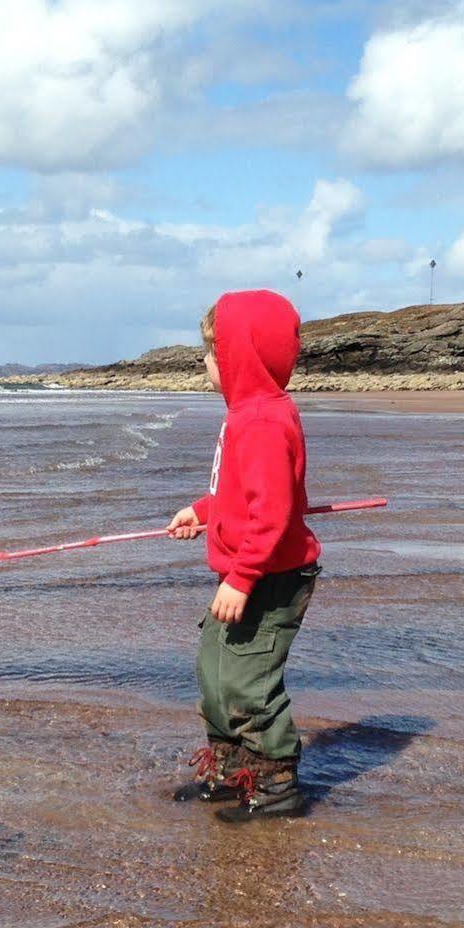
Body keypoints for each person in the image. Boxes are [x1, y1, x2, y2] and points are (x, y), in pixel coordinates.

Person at [165, 289, 322, 821]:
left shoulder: (259, 420)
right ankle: (234, 769)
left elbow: (273, 515)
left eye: (213, 351)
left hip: (270, 577)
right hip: (247, 573)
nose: (207, 362)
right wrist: (204, 511)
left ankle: (275, 783)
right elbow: (245, 496)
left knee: (248, 681)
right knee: (214, 666)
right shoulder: (246, 415)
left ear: (241, 357)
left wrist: (242, 577)